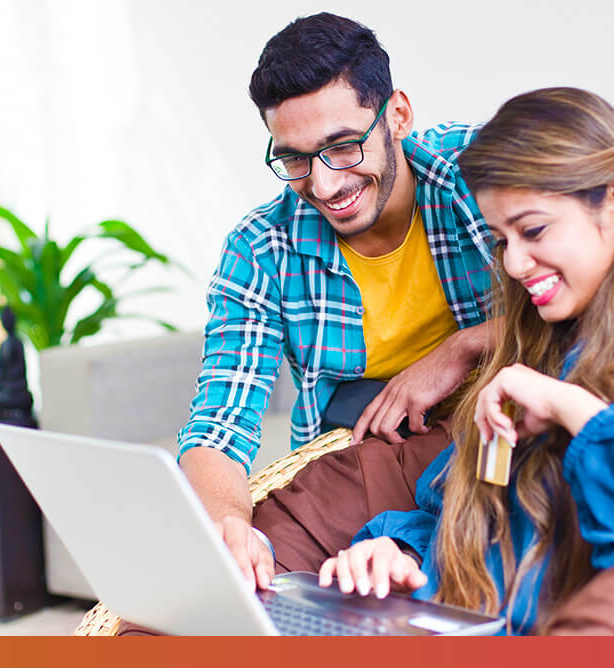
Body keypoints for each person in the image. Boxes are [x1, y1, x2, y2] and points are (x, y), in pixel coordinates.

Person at [317, 87, 614, 634]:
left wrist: (574, 409)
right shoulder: (542, 342)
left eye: (534, 230)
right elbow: (469, 513)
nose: (516, 264)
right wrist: (397, 555)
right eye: (502, 239)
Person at [176, 13, 495, 589]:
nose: (323, 187)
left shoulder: (480, 170)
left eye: (342, 148)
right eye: (294, 158)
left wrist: (467, 345)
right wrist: (227, 521)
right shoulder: (261, 248)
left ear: (398, 115)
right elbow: (220, 423)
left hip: (496, 444)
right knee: (243, 589)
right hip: (356, 466)